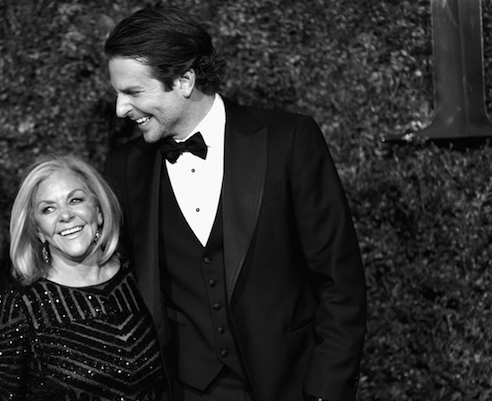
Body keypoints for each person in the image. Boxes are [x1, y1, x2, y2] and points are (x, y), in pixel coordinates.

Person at [102, 6, 367, 401]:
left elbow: (340, 284)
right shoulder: (126, 166)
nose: (121, 109)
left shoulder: (288, 140)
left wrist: (324, 392)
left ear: (185, 80)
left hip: (291, 387)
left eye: (134, 92)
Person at [0, 154, 165, 401]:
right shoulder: (20, 306)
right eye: (48, 208)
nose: (65, 215)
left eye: (75, 200)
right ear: (38, 229)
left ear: (99, 211)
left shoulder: (143, 280)